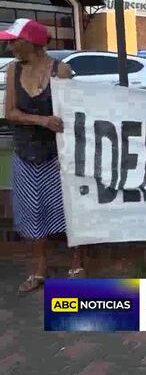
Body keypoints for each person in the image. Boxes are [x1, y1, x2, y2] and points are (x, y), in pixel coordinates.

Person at [0, 19, 85, 293]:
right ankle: (39, 269)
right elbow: (10, 113)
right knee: (32, 211)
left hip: (57, 155)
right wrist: (43, 120)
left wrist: (67, 149)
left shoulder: (61, 70)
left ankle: (77, 264)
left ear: (32, 42)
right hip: (26, 153)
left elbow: (72, 114)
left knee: (69, 210)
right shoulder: (13, 70)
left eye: (14, 41)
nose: (10, 47)